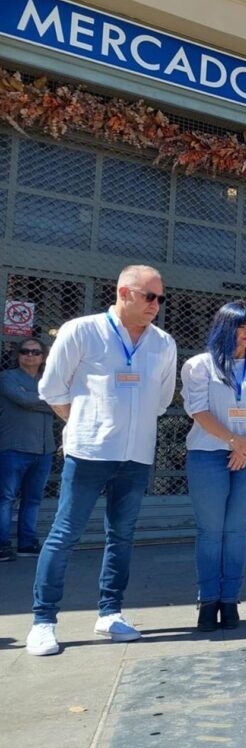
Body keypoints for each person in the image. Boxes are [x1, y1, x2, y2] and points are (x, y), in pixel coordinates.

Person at [27, 265, 177, 656]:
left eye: (161, 298)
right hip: (89, 452)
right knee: (65, 534)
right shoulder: (82, 331)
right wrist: (84, 424)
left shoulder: (163, 343)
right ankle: (43, 621)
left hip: (137, 454)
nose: (156, 305)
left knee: (122, 536)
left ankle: (110, 613)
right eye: (150, 296)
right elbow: (51, 388)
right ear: (124, 293)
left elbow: (161, 400)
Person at [181, 301, 246, 631]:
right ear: (225, 327)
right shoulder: (200, 365)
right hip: (209, 454)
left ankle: (230, 599)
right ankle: (208, 600)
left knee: (236, 529)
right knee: (211, 530)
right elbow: (198, 410)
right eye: (241, 326)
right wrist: (232, 442)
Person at [0, 338, 55, 562]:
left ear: (43, 357)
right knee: (6, 498)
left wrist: (46, 400)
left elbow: (64, 402)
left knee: (33, 499)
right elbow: (23, 400)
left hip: (44, 450)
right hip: (14, 447)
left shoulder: (49, 381)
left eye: (35, 352)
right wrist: (52, 401)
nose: (29, 355)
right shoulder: (6, 378)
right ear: (18, 355)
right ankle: (2, 545)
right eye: (25, 351)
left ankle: (27, 543)